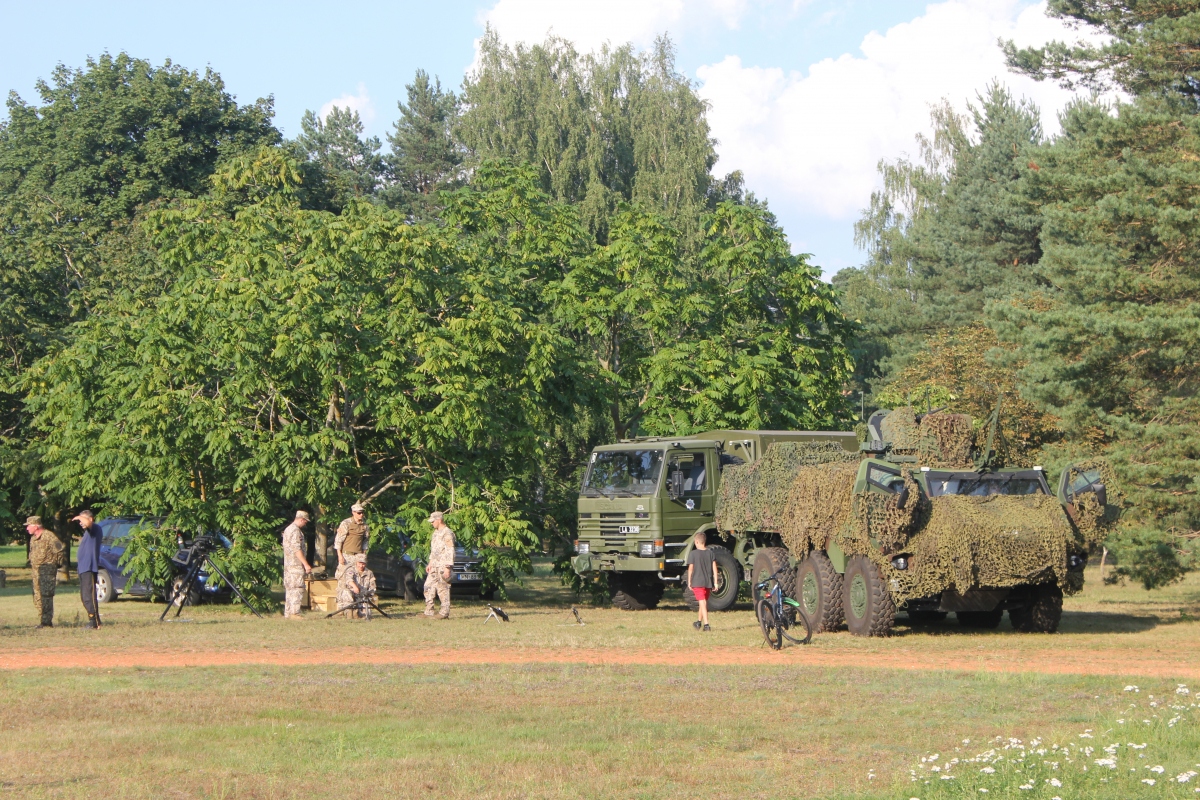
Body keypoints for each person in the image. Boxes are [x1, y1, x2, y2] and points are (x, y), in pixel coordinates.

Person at [26, 516, 64, 629]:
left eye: (29, 526)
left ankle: (47, 622)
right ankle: (42, 618)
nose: (27, 528)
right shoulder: (33, 539)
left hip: (47, 572)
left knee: (46, 596)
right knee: (37, 596)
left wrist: (54, 564)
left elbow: (59, 549)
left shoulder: (49, 536)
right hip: (36, 572)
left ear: (36, 526)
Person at [71, 510, 103, 629]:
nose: (80, 523)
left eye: (82, 520)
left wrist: (79, 516)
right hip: (83, 568)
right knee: (85, 596)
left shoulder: (95, 528)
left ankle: (93, 622)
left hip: (89, 567)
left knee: (89, 596)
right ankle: (96, 621)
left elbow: (88, 523)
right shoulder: (88, 533)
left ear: (91, 519)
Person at [423, 511, 455, 619]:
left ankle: (444, 612)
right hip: (434, 565)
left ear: (439, 520)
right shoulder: (435, 533)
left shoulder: (447, 533)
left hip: (443, 566)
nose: (432, 523)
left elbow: (450, 550)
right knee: (428, 586)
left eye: (433, 521)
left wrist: (447, 567)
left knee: (443, 588)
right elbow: (434, 550)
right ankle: (428, 611)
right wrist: (430, 563)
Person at [282, 510, 313, 618]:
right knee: (297, 588)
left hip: (288, 565)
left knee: (290, 589)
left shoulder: (288, 529)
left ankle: (289, 613)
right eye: (305, 521)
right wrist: (306, 564)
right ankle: (294, 613)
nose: (305, 524)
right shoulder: (295, 531)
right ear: (301, 519)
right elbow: (297, 549)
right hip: (295, 565)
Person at [686, 530, 717, 632]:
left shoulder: (693, 554)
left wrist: (689, 581)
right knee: (703, 602)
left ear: (697, 542)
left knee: (702, 602)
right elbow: (714, 569)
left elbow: (690, 569)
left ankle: (707, 625)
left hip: (697, 581)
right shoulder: (710, 553)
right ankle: (698, 623)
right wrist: (715, 583)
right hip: (708, 582)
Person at [334, 503, 370, 579]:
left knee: (356, 577)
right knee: (343, 576)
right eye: (359, 513)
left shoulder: (365, 526)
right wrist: (340, 555)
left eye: (362, 513)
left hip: (358, 556)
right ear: (353, 512)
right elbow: (339, 540)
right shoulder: (346, 523)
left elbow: (365, 541)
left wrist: (363, 554)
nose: (361, 515)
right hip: (346, 555)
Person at [336, 553, 377, 619]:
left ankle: (358, 612)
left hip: (363, 596)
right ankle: (349, 613)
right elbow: (349, 580)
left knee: (365, 615)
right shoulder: (351, 570)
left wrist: (369, 594)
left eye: (363, 564)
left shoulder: (369, 573)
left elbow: (373, 586)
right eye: (359, 563)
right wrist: (355, 587)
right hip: (352, 594)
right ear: (356, 562)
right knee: (346, 592)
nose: (361, 566)